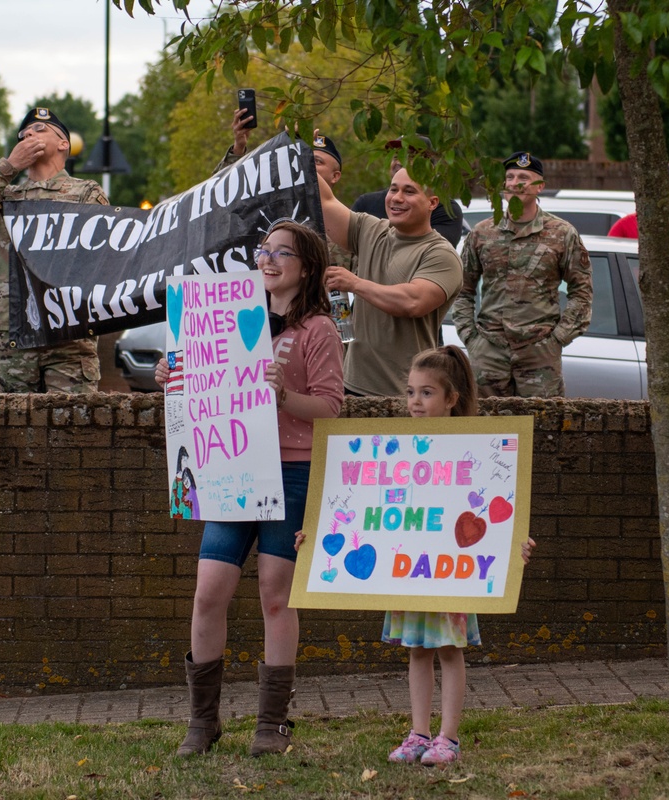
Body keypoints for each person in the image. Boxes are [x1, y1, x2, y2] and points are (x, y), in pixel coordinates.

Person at [154, 220, 344, 758]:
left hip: (292, 469)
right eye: (264, 250)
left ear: (305, 267)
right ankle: (203, 722)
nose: (269, 259)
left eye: (282, 253)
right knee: (209, 589)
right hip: (229, 467)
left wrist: (283, 396)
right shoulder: (228, 314)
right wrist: (175, 377)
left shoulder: (318, 330)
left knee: (274, 594)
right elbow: (199, 383)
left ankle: (272, 724)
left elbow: (330, 406)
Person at [293, 346, 534, 765]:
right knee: (417, 650)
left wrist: (514, 546)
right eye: (410, 392)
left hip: (450, 574)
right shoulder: (396, 447)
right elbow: (360, 504)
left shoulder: (476, 451)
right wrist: (316, 537)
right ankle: (418, 733)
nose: (415, 403)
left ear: (451, 399)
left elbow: (492, 510)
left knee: (448, 651)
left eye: (426, 393)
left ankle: (449, 738)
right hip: (408, 572)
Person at [0, 107, 109, 393]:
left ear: (64, 144)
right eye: (24, 134)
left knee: (73, 424)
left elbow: (102, 253)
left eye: (40, 130)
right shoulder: (6, 195)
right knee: (19, 426)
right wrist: (8, 167)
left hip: (69, 330)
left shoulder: (86, 193)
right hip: (13, 331)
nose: (29, 135)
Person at [453, 151, 592, 398]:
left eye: (524, 177)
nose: (515, 183)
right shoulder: (482, 232)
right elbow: (462, 289)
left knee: (542, 428)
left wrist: (557, 339)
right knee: (485, 428)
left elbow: (582, 292)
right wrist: (471, 337)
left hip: (539, 354)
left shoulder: (562, 233)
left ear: (540, 187)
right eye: (510, 176)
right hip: (489, 352)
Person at [318, 160, 463, 397]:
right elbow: (325, 201)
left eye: (409, 191)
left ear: (432, 202)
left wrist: (355, 283)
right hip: (351, 385)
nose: (396, 198)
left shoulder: (440, 254)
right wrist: (298, 151)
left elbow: (413, 302)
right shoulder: (370, 230)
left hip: (405, 393)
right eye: (393, 189)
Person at [214, 111, 353, 269]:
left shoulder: (346, 224)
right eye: (301, 157)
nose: (305, 163)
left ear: (335, 176)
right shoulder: (268, 210)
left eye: (315, 161)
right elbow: (222, 197)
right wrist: (239, 148)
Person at [351, 138, 465, 248]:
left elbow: (429, 253)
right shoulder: (365, 203)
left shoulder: (446, 210)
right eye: (395, 157)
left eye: (409, 157)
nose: (400, 162)